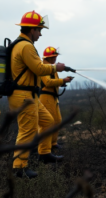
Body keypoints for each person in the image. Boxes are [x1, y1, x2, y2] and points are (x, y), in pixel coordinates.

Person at [10, 11, 68, 178]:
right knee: (27, 130)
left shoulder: (22, 44)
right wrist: (56, 68)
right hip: (23, 95)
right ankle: (19, 168)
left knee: (48, 121)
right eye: (39, 30)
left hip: (30, 95)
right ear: (31, 29)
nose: (40, 34)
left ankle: (45, 153)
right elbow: (39, 69)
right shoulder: (26, 46)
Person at [39, 47, 73, 152]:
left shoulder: (51, 68)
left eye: (56, 57)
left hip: (53, 97)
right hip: (45, 97)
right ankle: (45, 147)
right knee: (48, 122)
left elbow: (53, 81)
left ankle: (53, 143)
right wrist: (62, 80)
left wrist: (62, 82)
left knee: (57, 121)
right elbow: (48, 82)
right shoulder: (44, 67)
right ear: (48, 58)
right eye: (53, 57)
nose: (55, 59)